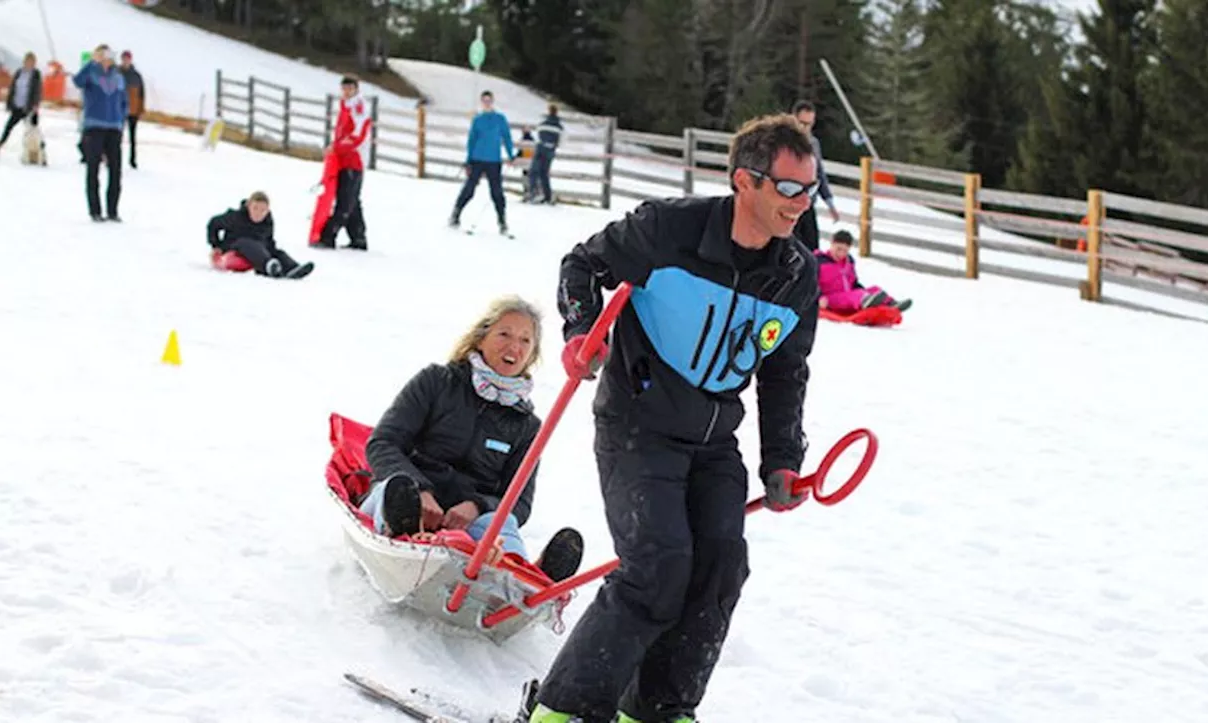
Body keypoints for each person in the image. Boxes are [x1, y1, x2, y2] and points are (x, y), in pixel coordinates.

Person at [527, 114, 822, 723]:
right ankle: (564, 711)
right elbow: (582, 266)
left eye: (811, 189)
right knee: (657, 569)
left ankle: (657, 712)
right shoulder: (668, 230)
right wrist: (581, 331)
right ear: (746, 181)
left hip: (715, 441)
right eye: (790, 189)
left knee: (718, 570)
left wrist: (782, 460)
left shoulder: (795, 274)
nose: (802, 204)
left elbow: (784, 370)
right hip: (639, 426)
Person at [361, 296, 585, 583]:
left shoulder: (527, 426)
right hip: (406, 495)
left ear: (532, 355)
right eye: (504, 334)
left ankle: (521, 576)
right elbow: (382, 443)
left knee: (499, 523)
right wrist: (421, 491)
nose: (514, 347)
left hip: (468, 519)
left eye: (525, 341)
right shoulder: (436, 382)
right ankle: (403, 534)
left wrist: (476, 506)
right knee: (396, 491)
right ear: (481, 338)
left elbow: (519, 500)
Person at [314, 75, 371, 250]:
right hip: (344, 159)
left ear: (356, 89)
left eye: (350, 89)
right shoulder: (346, 107)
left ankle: (328, 235)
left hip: (353, 160)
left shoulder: (358, 109)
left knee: (345, 200)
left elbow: (358, 136)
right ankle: (358, 237)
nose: (346, 92)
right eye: (344, 88)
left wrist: (336, 148)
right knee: (352, 200)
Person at [73, 44, 128, 222]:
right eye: (103, 55)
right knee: (93, 168)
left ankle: (113, 210)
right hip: (94, 126)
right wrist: (91, 63)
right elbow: (77, 81)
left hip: (113, 127)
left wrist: (121, 120)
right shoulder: (91, 73)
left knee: (115, 170)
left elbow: (123, 101)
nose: (107, 58)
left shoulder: (118, 77)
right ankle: (95, 210)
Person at [448, 90, 515, 235]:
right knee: (469, 189)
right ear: (481, 102)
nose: (487, 103)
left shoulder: (500, 119)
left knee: (497, 192)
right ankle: (455, 214)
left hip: (494, 160)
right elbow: (471, 141)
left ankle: (502, 221)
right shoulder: (477, 120)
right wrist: (468, 160)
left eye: (489, 100)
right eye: (484, 101)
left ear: (492, 101)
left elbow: (507, 138)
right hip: (477, 159)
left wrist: (511, 155)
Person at [207, 191, 315, 279]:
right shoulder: (235, 217)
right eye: (255, 208)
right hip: (235, 250)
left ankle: (292, 268)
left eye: (263, 210)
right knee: (247, 242)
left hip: (259, 251)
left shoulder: (267, 221)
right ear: (248, 206)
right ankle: (269, 265)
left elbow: (269, 240)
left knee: (275, 251)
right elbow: (213, 223)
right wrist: (216, 245)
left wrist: (274, 252)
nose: (258, 213)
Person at [816, 230, 911, 313]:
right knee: (855, 295)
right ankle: (865, 300)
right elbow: (811, 283)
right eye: (838, 249)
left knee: (875, 289)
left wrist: (865, 291)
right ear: (832, 244)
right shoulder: (819, 260)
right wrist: (819, 297)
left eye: (845, 251)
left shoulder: (849, 261)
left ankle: (891, 304)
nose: (841, 254)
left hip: (848, 294)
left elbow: (853, 282)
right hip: (829, 298)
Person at [790, 100, 840, 252]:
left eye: (809, 124)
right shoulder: (783, 143)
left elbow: (819, 174)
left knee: (811, 250)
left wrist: (830, 203)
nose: (805, 128)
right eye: (802, 123)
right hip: (787, 204)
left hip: (807, 205)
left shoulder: (813, 144)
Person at [0, 52, 42, 154]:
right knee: (9, 126)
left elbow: (37, 90)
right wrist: (9, 102)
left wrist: (36, 104)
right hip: (17, 105)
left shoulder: (36, 74)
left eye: (32, 62)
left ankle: (38, 151)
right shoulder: (19, 72)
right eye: (28, 61)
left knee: (33, 131)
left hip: (29, 106)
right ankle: (0, 144)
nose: (29, 64)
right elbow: (13, 87)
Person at [528, 103, 564, 205]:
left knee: (534, 171)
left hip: (541, 148)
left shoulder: (543, 124)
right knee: (544, 173)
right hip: (551, 149)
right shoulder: (559, 126)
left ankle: (534, 193)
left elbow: (537, 136)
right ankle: (547, 195)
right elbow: (562, 140)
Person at [118, 50, 145, 169]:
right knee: (116, 136)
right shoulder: (116, 73)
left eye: (127, 59)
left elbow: (141, 94)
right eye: (124, 59)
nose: (125, 61)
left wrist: (141, 109)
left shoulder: (136, 76)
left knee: (133, 137)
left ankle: (133, 159)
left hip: (133, 110)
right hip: (119, 109)